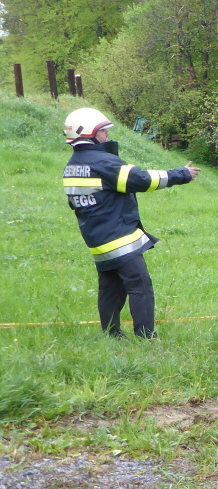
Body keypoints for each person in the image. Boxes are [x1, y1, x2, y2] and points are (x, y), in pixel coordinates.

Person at [61, 107, 200, 338]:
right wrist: (181, 174)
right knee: (140, 285)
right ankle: (146, 337)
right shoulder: (103, 163)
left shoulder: (73, 166)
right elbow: (141, 180)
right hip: (118, 237)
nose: (107, 134)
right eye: (103, 131)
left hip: (97, 238)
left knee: (111, 287)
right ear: (89, 133)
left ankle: (111, 334)